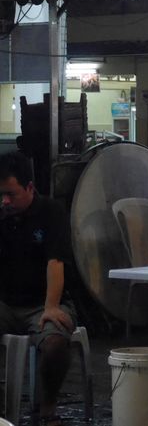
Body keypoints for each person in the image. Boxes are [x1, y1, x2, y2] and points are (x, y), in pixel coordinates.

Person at [0, 152, 75, 426]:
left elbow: (55, 262)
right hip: (7, 303)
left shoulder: (51, 212)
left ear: (30, 187)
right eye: (1, 195)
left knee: (55, 344)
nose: (5, 201)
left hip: (44, 301)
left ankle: (47, 407)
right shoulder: (3, 214)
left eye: (11, 194)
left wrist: (51, 306)